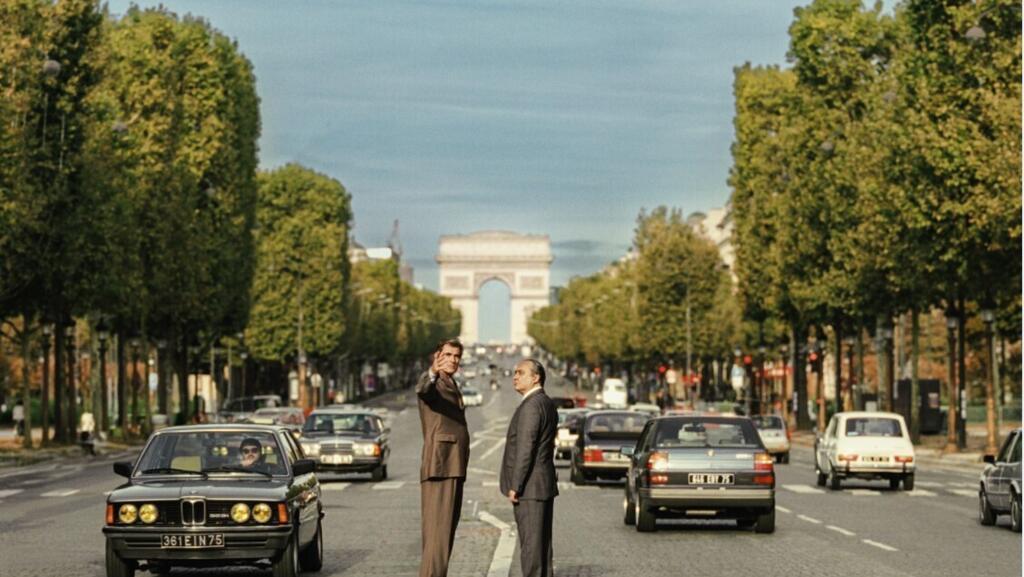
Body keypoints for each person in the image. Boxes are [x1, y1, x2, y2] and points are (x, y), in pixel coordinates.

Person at [416, 339, 470, 577]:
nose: (452, 360)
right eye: (447, 355)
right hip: (441, 465)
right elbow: (423, 390)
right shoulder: (435, 382)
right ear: (436, 356)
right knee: (437, 537)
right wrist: (432, 372)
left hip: (452, 464)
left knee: (443, 536)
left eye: (456, 356)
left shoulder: (451, 382)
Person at [500, 359, 558, 577]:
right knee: (542, 548)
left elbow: (526, 448)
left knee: (532, 549)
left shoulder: (531, 406)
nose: (515, 377)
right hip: (542, 484)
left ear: (536, 378)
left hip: (530, 487)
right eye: (515, 372)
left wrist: (516, 485)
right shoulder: (546, 402)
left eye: (521, 372)